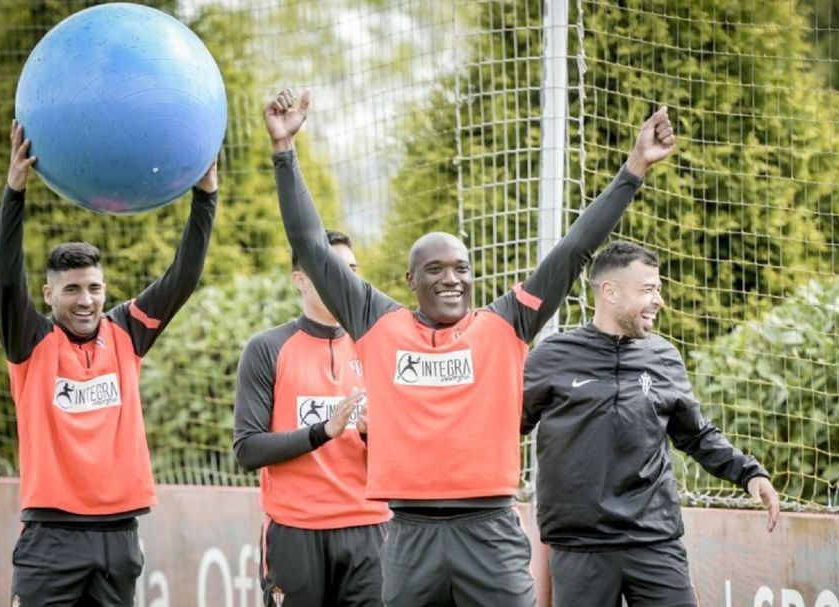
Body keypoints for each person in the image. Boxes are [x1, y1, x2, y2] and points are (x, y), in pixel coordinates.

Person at [264, 88, 674, 606]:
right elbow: (310, 246)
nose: (451, 279)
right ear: (412, 280)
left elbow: (575, 248)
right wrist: (285, 151)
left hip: (489, 533)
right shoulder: (377, 323)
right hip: (410, 537)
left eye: (461, 268)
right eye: (435, 269)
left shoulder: (507, 322)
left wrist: (634, 167)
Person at [0, 120, 218, 606]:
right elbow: (8, 281)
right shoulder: (31, 341)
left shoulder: (126, 333)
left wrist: (206, 198)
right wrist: (14, 194)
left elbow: (182, 276)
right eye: (71, 289)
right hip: (49, 538)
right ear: (50, 293)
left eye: (94, 287)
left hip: (119, 537)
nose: (85, 300)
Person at [521, 241, 780, 607]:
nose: (659, 301)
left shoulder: (664, 357)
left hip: (655, 541)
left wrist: (749, 473)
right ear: (609, 292)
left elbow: (696, 435)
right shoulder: (553, 357)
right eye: (648, 290)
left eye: (658, 289)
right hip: (580, 547)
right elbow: (506, 427)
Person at [233, 231, 390, 606]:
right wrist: (322, 432)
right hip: (295, 532)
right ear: (300, 281)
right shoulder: (267, 348)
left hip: (370, 530)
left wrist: (372, 434)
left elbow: (408, 448)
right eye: (333, 270)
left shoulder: (379, 345)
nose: (347, 280)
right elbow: (247, 450)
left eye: (352, 270)